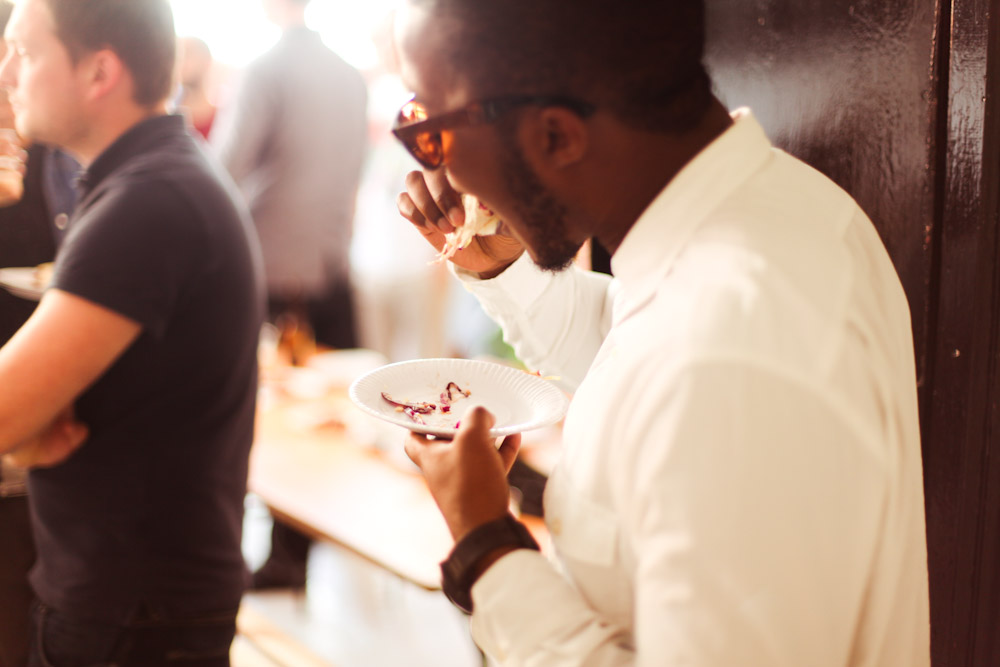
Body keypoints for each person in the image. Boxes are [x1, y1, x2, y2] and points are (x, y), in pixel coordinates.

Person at [394, 0, 931, 664]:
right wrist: (504, 269)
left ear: (557, 136)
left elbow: (691, 374)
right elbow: (640, 367)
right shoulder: (773, 214)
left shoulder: (736, 348)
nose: (436, 174)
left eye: (430, 131)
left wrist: (487, 547)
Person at [0, 1, 264, 665]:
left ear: (99, 72)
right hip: (132, 601)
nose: (7, 73)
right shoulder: (148, 178)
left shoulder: (149, 201)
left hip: (134, 618)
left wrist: (21, 423)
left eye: (25, 53)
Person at [211, 0, 367, 590]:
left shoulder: (264, 70)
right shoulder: (349, 75)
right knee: (324, 409)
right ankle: (296, 549)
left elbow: (225, 168)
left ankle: (277, 553)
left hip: (270, 262)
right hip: (329, 259)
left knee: (270, 408)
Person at [173, 36, 216, 140]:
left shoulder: (222, 119)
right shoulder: (167, 115)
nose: (182, 61)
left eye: (189, 53)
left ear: (207, 62)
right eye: (179, 55)